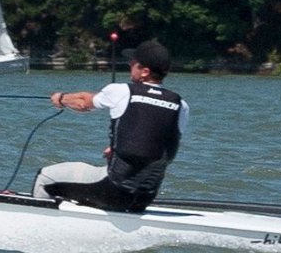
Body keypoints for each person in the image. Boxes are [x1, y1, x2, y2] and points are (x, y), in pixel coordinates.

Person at [31, 40, 188, 214]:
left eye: (133, 63)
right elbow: (156, 142)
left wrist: (61, 98)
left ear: (144, 71)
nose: (130, 64)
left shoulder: (121, 91)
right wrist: (117, 148)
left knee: (44, 177)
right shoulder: (181, 105)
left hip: (112, 191)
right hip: (144, 197)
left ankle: (39, 223)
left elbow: (83, 103)